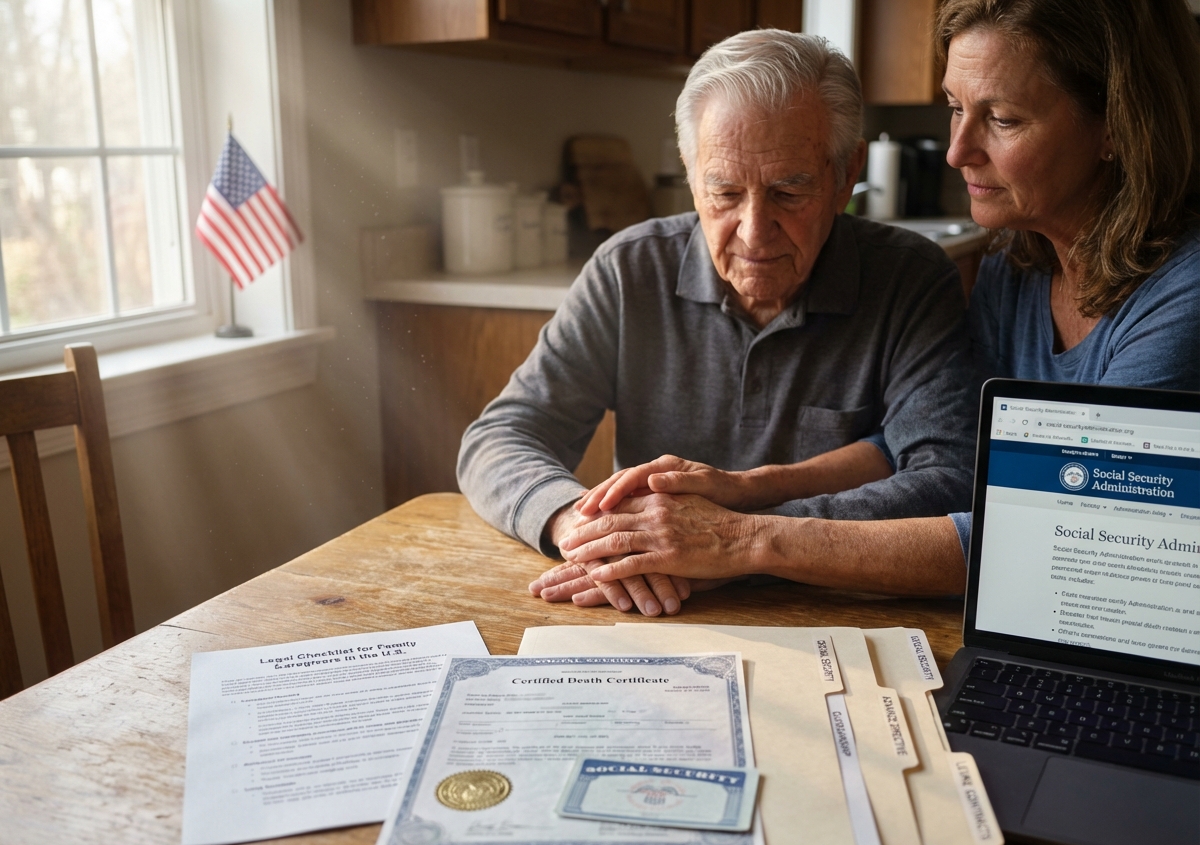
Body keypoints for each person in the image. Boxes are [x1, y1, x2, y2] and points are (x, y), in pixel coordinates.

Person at [537, 0, 1200, 610]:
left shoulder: (1182, 296)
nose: (956, 151)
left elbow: (1080, 543)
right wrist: (748, 490)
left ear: (1116, 125)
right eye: (955, 107)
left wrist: (739, 541)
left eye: (1001, 119)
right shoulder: (1015, 264)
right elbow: (949, 449)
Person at [458, 30, 980, 617]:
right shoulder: (630, 269)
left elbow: (949, 483)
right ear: (690, 171)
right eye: (726, 192)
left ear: (844, 174)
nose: (754, 232)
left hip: (842, 616)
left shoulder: (911, 277)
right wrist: (578, 527)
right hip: (653, 610)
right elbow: (499, 440)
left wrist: (729, 544)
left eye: (789, 191)